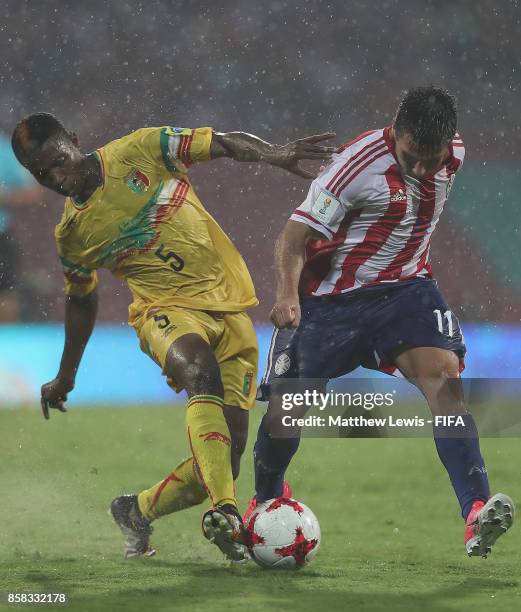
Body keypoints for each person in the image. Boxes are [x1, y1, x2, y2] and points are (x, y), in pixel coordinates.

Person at [11, 113, 334, 561]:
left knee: (223, 456)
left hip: (231, 309)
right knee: (200, 373)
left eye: (59, 161)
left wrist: (275, 154)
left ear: (75, 141)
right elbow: (81, 301)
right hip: (163, 311)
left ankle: (135, 510)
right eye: (42, 174)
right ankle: (227, 512)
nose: (57, 178)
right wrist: (66, 376)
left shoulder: (141, 149)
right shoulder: (72, 235)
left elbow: (223, 142)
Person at [248, 87, 514, 558]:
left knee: (444, 382)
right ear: (396, 133)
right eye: (411, 157)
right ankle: (264, 501)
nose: (420, 170)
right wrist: (287, 294)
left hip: (405, 291)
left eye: (430, 161)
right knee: (289, 411)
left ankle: (475, 511)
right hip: (332, 302)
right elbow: (293, 236)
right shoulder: (355, 166)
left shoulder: (454, 153)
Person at [0, 133, 41, 321]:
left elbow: (34, 191)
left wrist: (6, 198)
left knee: (5, 296)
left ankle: (6, 347)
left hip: (1, 236)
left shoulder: (4, 150)